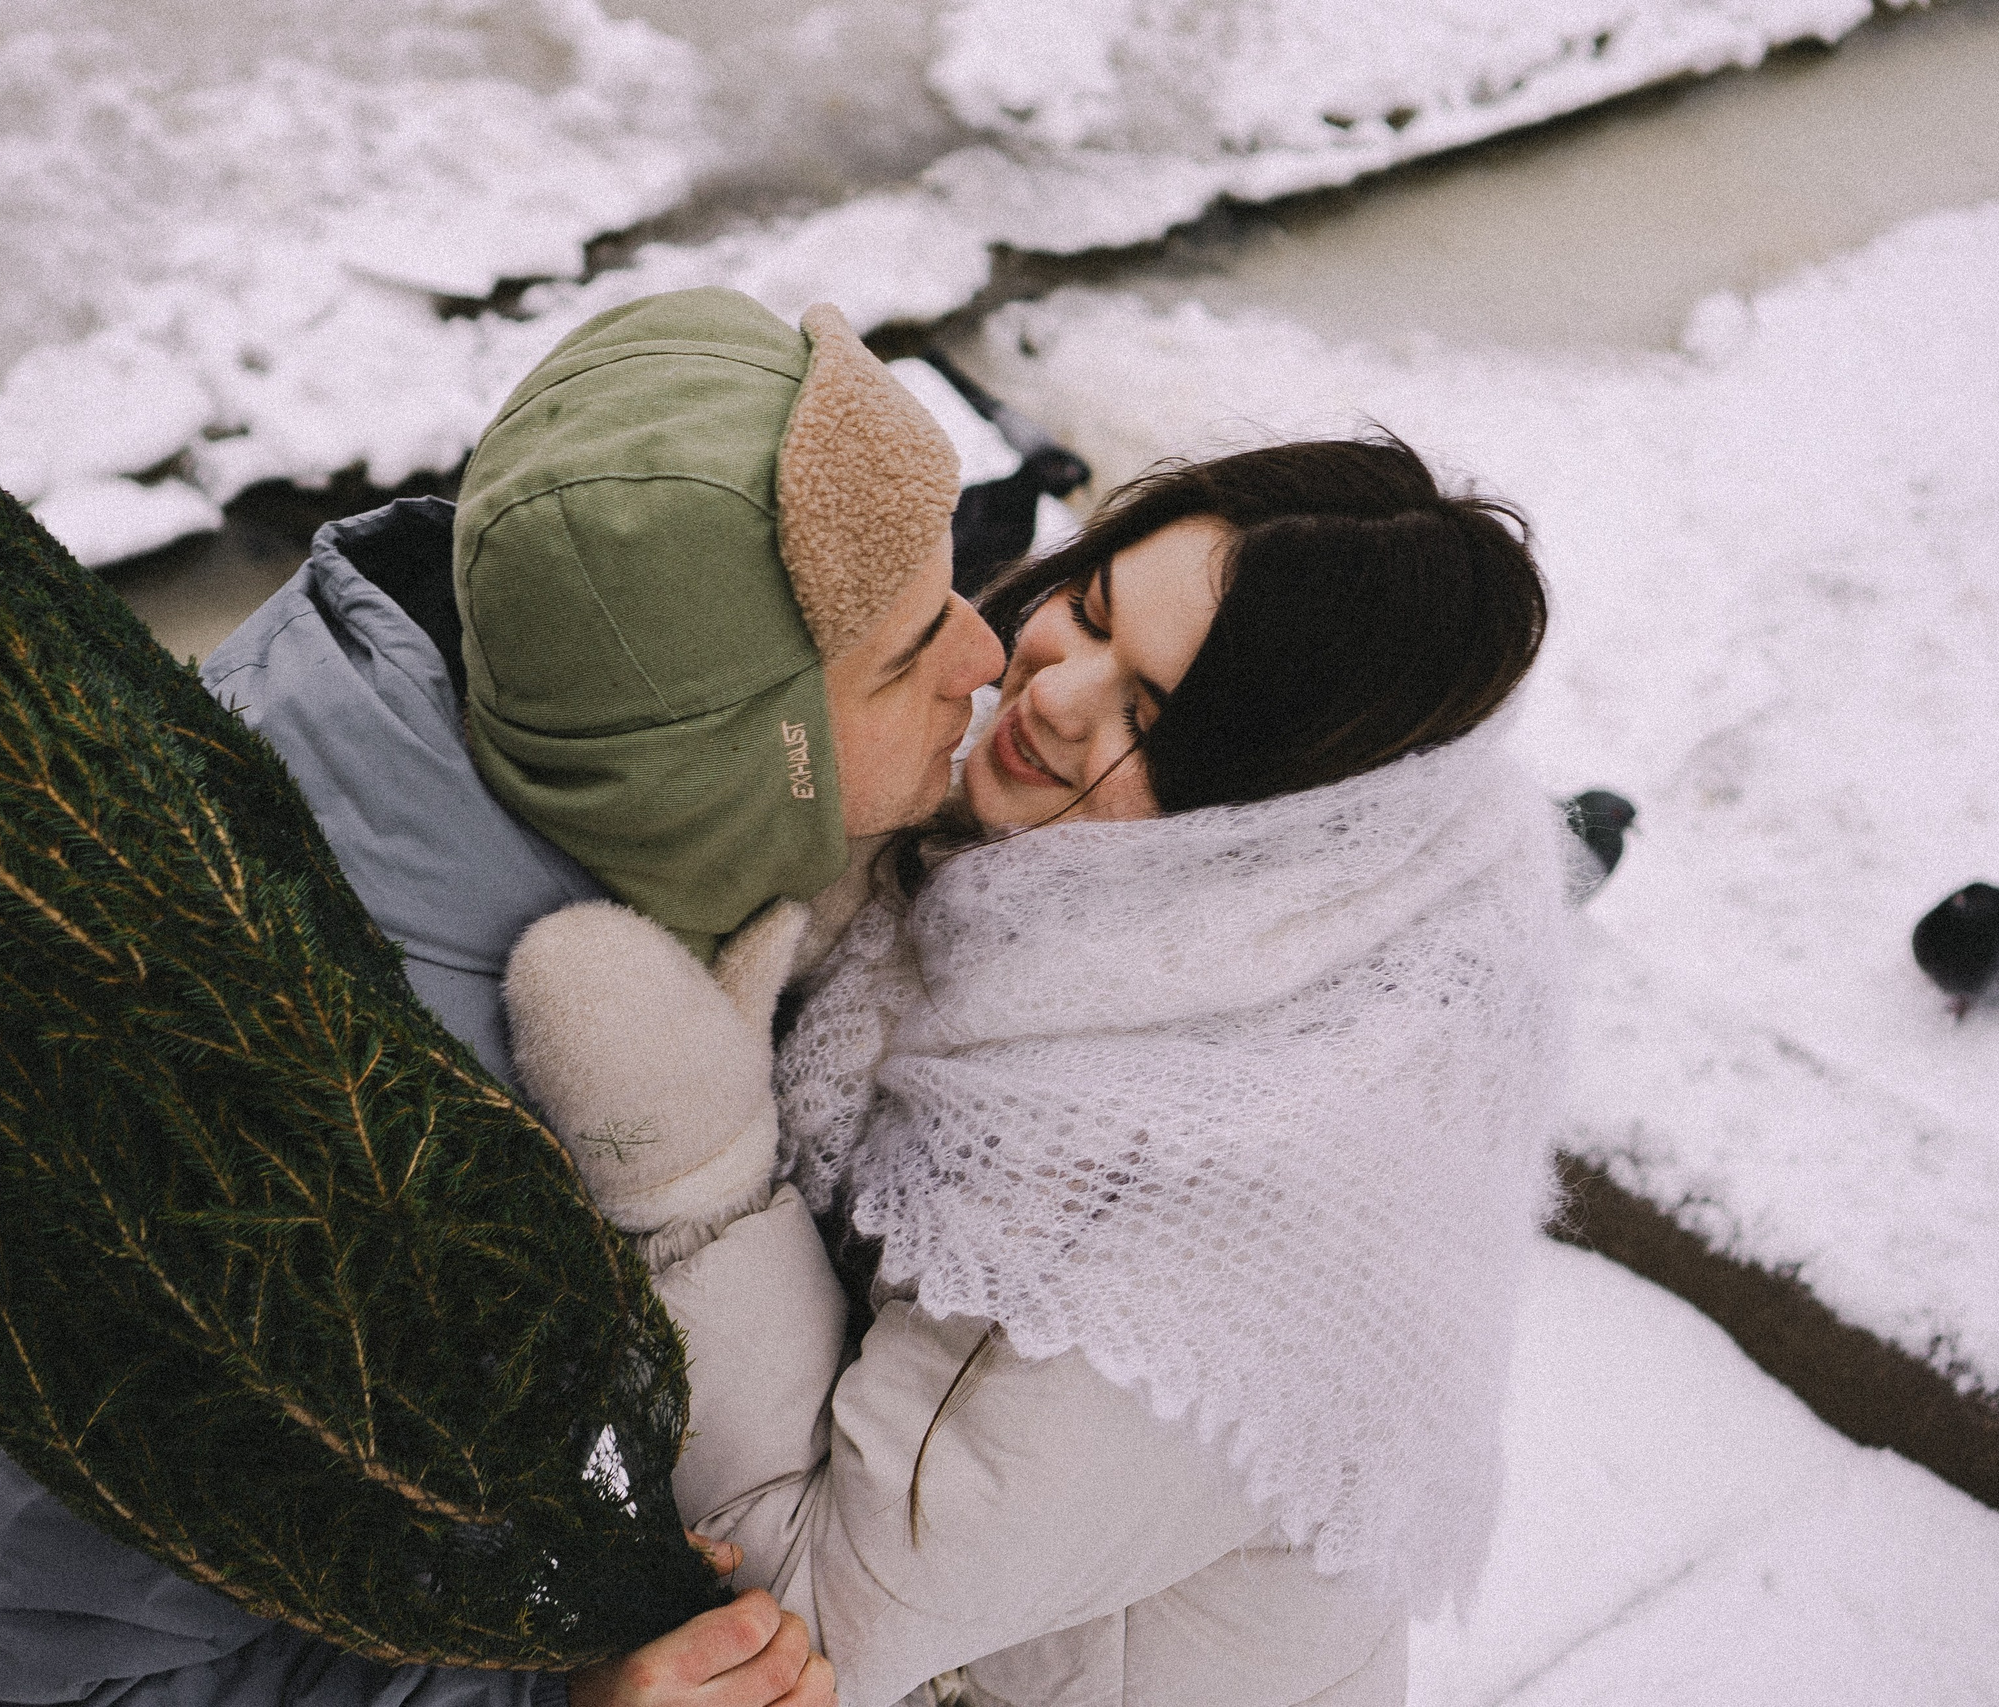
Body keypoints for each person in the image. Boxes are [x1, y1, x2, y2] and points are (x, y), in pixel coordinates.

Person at [0, 286, 1000, 1707]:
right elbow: (68, 1673)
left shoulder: (514, 736)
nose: (989, 653)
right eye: (910, 653)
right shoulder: (320, 1130)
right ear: (723, 772)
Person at [500, 437, 1569, 1706]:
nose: (1054, 693)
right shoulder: (1146, 901)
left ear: (1272, 813)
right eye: (1093, 608)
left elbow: (815, 1620)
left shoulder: (1177, 1200)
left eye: (1148, 717)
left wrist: (692, 1174)